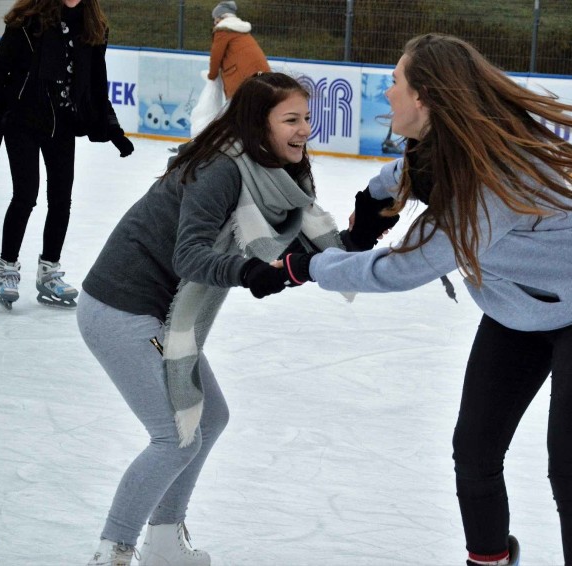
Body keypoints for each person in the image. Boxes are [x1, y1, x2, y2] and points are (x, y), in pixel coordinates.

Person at [274, 34, 572, 566]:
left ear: (424, 96)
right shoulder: (444, 145)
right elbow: (402, 174)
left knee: (570, 465)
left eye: (396, 83)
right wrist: (372, 204)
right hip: (515, 312)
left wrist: (311, 265)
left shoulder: (488, 181)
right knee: (474, 451)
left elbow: (406, 269)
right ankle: (489, 561)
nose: (388, 93)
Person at [77, 72, 389, 566]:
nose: (304, 129)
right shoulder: (221, 169)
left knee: (211, 417)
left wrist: (363, 237)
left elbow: (305, 252)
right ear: (256, 124)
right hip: (120, 305)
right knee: (175, 436)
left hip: (153, 310)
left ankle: (162, 541)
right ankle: (111, 551)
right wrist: (247, 271)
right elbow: (190, 256)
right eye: (291, 119)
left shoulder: (278, 176)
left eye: (307, 117)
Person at [0, 0, 133, 311]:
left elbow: (95, 84)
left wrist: (113, 129)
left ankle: (49, 271)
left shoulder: (94, 28)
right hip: (22, 119)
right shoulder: (27, 21)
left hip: (63, 123)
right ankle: (7, 268)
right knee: (25, 195)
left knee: (61, 198)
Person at [208, 1, 270, 99]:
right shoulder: (242, 31)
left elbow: (216, 57)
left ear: (220, 17)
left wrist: (212, 76)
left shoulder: (222, 30)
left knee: (240, 108)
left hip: (243, 78)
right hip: (262, 75)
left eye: (215, 18)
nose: (214, 21)